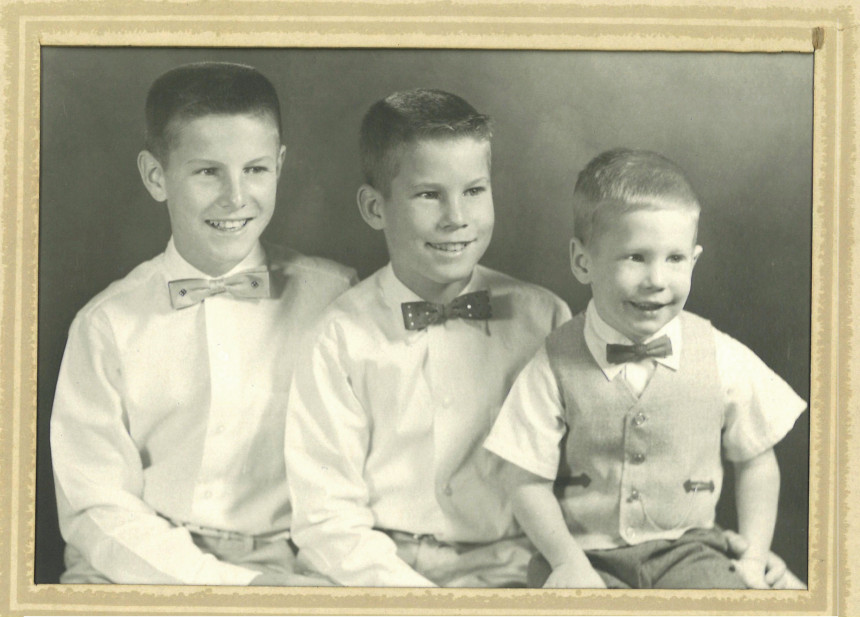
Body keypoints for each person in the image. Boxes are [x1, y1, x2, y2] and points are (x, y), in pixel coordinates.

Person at [50, 62, 356, 585]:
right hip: (137, 563)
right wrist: (238, 586)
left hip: (294, 562)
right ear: (155, 176)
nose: (235, 197)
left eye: (255, 169)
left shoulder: (336, 298)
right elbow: (96, 507)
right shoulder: (106, 325)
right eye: (208, 171)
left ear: (280, 165)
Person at [284, 89, 572, 587]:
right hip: (378, 567)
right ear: (375, 207)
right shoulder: (338, 336)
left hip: (515, 564)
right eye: (428, 194)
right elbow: (327, 518)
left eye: (474, 191)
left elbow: (584, 474)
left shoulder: (543, 318)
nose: (455, 216)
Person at [484, 148, 807, 589]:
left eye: (674, 259)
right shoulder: (554, 361)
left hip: (689, 552)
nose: (657, 279)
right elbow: (524, 481)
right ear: (582, 262)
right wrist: (567, 561)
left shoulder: (719, 354)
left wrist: (752, 554)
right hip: (588, 555)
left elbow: (756, 460)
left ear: (693, 260)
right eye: (635, 257)